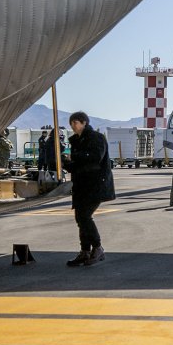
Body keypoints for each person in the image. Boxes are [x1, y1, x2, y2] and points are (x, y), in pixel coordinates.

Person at [64, 111, 110, 266]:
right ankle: (85, 251)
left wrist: (74, 157)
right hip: (81, 185)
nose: (73, 126)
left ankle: (97, 248)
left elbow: (96, 157)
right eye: (71, 123)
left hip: (94, 184)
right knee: (80, 218)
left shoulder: (96, 138)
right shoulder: (77, 141)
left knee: (84, 216)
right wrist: (65, 163)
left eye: (75, 122)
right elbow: (78, 165)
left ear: (84, 123)